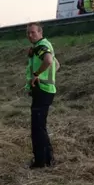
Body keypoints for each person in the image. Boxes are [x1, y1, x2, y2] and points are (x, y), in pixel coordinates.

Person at [24, 22, 60, 169]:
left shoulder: (40, 46)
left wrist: (37, 75)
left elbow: (49, 61)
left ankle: (40, 162)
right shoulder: (45, 45)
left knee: (37, 129)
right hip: (47, 89)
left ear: (40, 33)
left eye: (33, 32)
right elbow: (57, 65)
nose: (30, 35)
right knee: (41, 127)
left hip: (42, 90)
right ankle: (49, 159)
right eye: (28, 33)